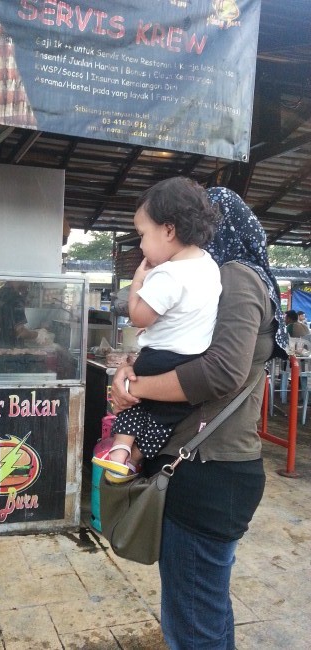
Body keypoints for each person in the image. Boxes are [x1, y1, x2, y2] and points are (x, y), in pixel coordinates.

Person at [110, 185, 288, 649]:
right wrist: (131, 369)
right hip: (208, 467)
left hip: (208, 471)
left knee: (192, 625)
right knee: (205, 611)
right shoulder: (216, 277)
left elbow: (221, 370)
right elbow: (174, 342)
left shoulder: (236, 276)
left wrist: (136, 387)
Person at [93, 177, 222, 481]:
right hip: (191, 362)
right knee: (165, 420)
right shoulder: (209, 265)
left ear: (168, 229)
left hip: (157, 359)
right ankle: (135, 459)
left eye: (142, 234)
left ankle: (121, 452)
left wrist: (138, 278)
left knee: (131, 405)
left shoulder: (167, 274)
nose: (140, 244)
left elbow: (139, 317)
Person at [0, 281, 50, 348]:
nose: (28, 286)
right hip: (12, 351)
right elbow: (21, 332)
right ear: (21, 280)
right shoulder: (16, 299)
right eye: (28, 282)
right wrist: (38, 335)